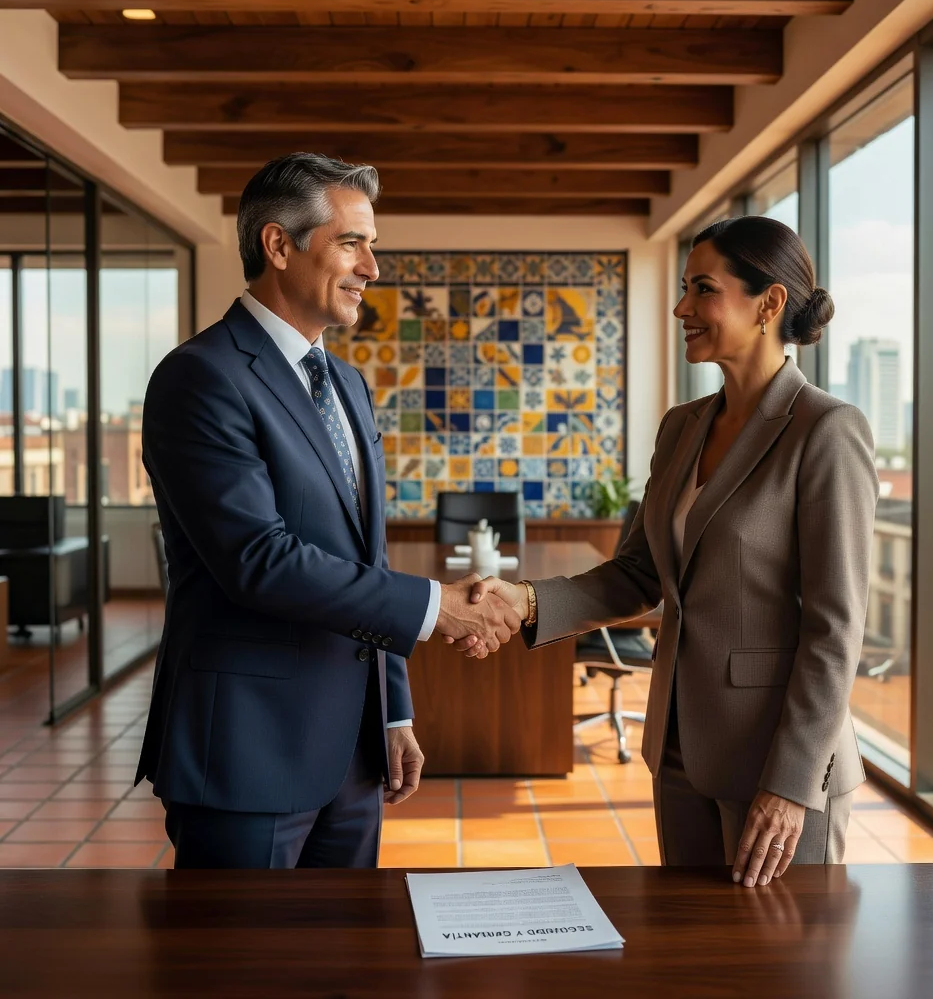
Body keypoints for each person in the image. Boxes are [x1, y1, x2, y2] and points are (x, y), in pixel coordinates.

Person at [462, 216, 879, 888]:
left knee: (783, 970)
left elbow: (836, 630)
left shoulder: (826, 431)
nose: (683, 307)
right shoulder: (683, 428)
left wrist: (792, 784)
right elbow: (639, 575)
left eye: (703, 289)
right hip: (678, 745)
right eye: (684, 288)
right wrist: (527, 600)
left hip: (778, 765)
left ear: (768, 304)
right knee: (693, 958)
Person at [135, 153, 519, 869]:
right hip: (248, 751)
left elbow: (362, 559)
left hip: (353, 753)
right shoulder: (200, 377)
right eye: (351, 243)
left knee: (342, 969)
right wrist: (440, 609)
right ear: (279, 246)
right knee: (240, 975)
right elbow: (259, 561)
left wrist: (393, 711)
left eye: (372, 245)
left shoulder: (344, 380)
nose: (372, 268)